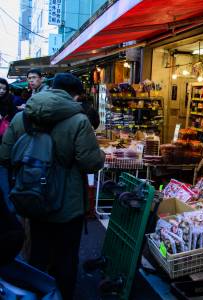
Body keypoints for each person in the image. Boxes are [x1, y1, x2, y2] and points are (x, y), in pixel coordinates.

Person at [0, 73, 105, 300]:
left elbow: (5, 155)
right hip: (69, 205)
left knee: (38, 253)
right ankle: (64, 295)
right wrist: (100, 155)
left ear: (51, 87)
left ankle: (38, 293)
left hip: (33, 199)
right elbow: (91, 163)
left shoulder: (23, 117)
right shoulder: (79, 121)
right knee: (66, 258)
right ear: (75, 95)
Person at [0, 78, 16, 212]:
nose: (1, 91)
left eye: (4, 89)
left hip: (5, 144)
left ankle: (9, 209)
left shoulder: (10, 102)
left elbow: (14, 120)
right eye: (0, 88)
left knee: (4, 179)